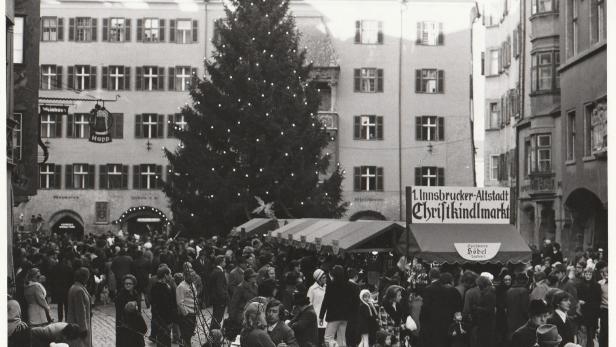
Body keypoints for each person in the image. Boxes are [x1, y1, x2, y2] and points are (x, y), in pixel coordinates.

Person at [319, 265, 354, 347]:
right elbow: (351, 301)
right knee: (342, 338)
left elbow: (326, 301)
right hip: (345, 316)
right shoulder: (349, 285)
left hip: (333, 315)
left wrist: (321, 316)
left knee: (328, 338)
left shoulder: (331, 285)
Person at [229, 268, 259, 338]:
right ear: (248, 278)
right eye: (253, 276)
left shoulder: (255, 286)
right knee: (242, 335)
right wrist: (232, 317)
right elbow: (234, 303)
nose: (255, 278)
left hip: (253, 314)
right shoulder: (240, 287)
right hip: (242, 315)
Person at [150, 266, 176, 346]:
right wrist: (166, 323)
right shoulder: (160, 288)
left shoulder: (162, 286)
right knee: (163, 342)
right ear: (165, 275)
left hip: (163, 321)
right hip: (163, 322)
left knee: (164, 342)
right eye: (170, 274)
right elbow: (160, 307)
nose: (171, 276)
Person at [66, 267, 92, 347]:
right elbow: (80, 311)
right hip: (79, 326)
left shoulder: (75, 287)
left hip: (76, 324)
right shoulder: (79, 290)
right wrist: (83, 329)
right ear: (84, 277)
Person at [577, 267, 601, 347]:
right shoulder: (580, 285)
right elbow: (577, 296)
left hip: (592, 313)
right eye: (586, 274)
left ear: (592, 275)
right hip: (583, 312)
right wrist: (579, 301)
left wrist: (597, 314)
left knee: (591, 334)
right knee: (583, 334)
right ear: (584, 274)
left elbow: (598, 300)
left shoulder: (597, 285)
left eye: (590, 274)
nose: (587, 276)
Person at [115, 274, 141, 347]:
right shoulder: (120, 296)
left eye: (130, 283)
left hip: (136, 324)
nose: (128, 285)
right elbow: (119, 313)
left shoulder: (136, 294)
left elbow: (139, 310)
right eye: (126, 283)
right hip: (125, 326)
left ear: (134, 284)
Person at [177, 268, 198, 347]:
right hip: (187, 315)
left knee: (189, 334)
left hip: (193, 313)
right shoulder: (181, 287)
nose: (193, 278)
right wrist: (186, 314)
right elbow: (180, 302)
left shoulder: (192, 284)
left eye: (194, 276)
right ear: (185, 276)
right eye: (191, 276)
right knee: (185, 336)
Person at [505, 272, 530, 341]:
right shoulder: (524, 291)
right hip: (521, 320)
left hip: (510, 319)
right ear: (524, 280)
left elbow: (506, 306)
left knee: (512, 338)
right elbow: (525, 308)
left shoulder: (509, 290)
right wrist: (529, 318)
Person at [50, 256, 73, 322]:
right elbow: (71, 279)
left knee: (59, 305)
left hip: (58, 288)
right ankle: (67, 318)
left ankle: (60, 319)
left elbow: (52, 278)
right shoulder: (68, 268)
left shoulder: (54, 267)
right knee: (67, 305)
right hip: (66, 288)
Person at [307, 269, 327, 345]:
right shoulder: (312, 289)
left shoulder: (327, 287)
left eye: (325, 277)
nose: (325, 279)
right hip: (316, 318)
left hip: (326, 318)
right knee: (318, 340)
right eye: (323, 278)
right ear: (318, 279)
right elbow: (309, 304)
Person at [209, 255, 229, 330]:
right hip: (219, 300)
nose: (225, 263)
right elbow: (220, 288)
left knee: (216, 318)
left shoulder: (215, 271)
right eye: (224, 261)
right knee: (217, 318)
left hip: (216, 299)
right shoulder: (219, 272)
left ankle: (213, 335)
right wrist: (224, 298)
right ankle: (214, 335)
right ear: (221, 262)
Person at [596, 263, 607, 347]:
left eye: (606, 272)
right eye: (602, 272)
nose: (605, 274)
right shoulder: (600, 284)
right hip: (604, 310)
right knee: (604, 333)